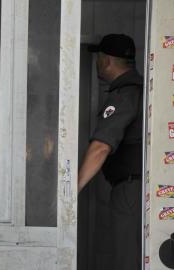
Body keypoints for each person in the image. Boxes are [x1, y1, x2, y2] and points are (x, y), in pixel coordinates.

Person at [78, 34, 143, 270]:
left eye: (99, 58)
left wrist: (71, 189)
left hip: (130, 191)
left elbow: (101, 146)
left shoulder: (124, 95)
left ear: (106, 61)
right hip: (136, 189)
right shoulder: (137, 90)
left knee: (127, 260)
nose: (97, 63)